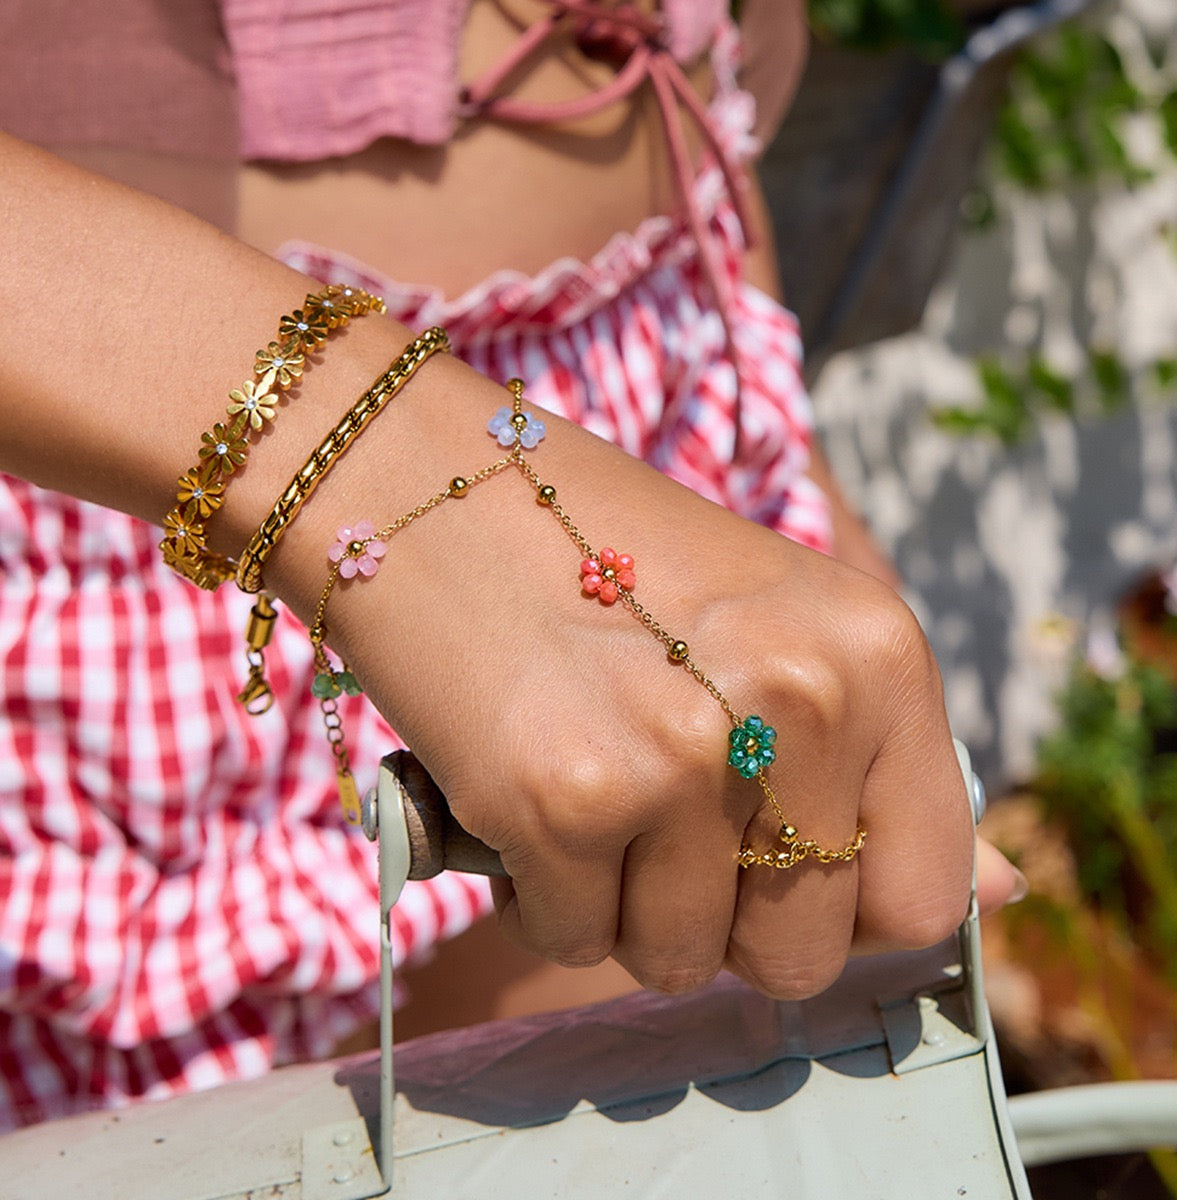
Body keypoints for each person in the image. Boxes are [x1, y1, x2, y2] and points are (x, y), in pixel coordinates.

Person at [0, 0, 1020, 1131]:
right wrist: (375, 462)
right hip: (178, 470)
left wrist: (795, 485)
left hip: (648, 422)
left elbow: (706, 120)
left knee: (663, 1116)